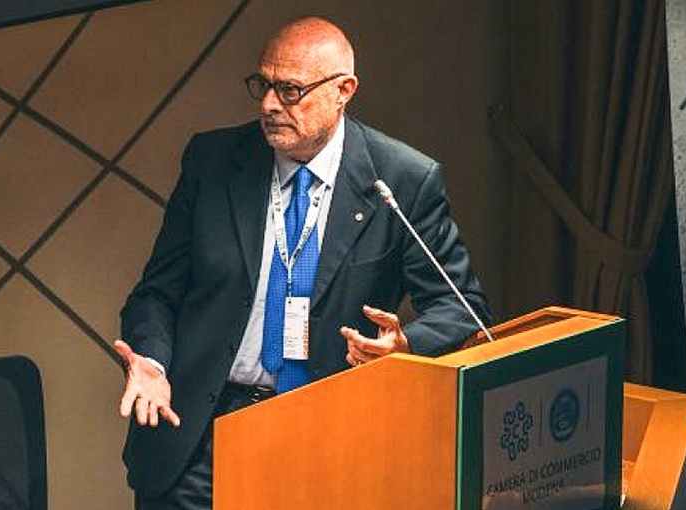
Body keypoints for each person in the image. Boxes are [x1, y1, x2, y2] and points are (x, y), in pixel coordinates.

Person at [115, 16, 492, 510]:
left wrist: (405, 345)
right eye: (264, 85)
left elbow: (463, 307)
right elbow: (156, 293)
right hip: (202, 434)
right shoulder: (213, 161)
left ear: (343, 91)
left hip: (330, 437)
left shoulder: (401, 180)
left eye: (290, 91)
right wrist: (152, 360)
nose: (269, 105)